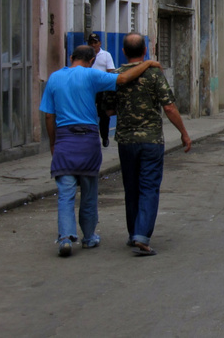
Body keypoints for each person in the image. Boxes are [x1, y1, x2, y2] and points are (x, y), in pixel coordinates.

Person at [40, 44, 159, 257]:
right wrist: (148, 63)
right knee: (88, 193)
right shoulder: (92, 75)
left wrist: (53, 142)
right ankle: (88, 238)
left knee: (65, 195)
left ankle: (65, 238)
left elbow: (49, 116)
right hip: (87, 142)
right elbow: (123, 79)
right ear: (92, 60)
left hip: (64, 141)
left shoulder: (54, 78)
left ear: (70, 57)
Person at [106, 33, 191, 256]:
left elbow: (107, 109)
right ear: (145, 51)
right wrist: (183, 133)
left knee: (131, 188)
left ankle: (134, 232)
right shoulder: (154, 74)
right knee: (149, 187)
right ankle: (142, 236)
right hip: (151, 141)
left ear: (123, 52)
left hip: (126, 140)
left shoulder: (115, 76)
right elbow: (169, 107)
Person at [88, 33, 115, 147]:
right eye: (91, 43)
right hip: (89, 88)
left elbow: (110, 71)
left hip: (102, 89)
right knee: (89, 112)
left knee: (104, 114)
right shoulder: (86, 55)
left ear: (100, 43)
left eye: (96, 42)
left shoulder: (106, 55)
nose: (94, 45)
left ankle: (104, 136)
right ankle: (91, 137)